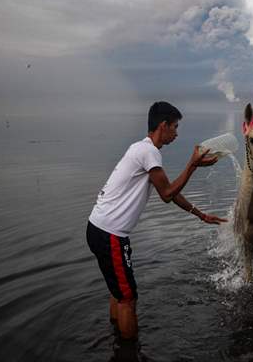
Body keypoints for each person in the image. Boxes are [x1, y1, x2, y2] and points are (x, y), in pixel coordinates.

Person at [86, 101, 227, 342]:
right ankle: (129, 352)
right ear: (163, 125)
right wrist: (192, 165)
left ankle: (115, 338)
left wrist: (200, 214)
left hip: (98, 228)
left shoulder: (141, 149)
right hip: (110, 234)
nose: (177, 132)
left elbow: (170, 191)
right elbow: (167, 195)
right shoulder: (149, 151)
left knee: (119, 293)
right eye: (175, 126)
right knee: (129, 298)